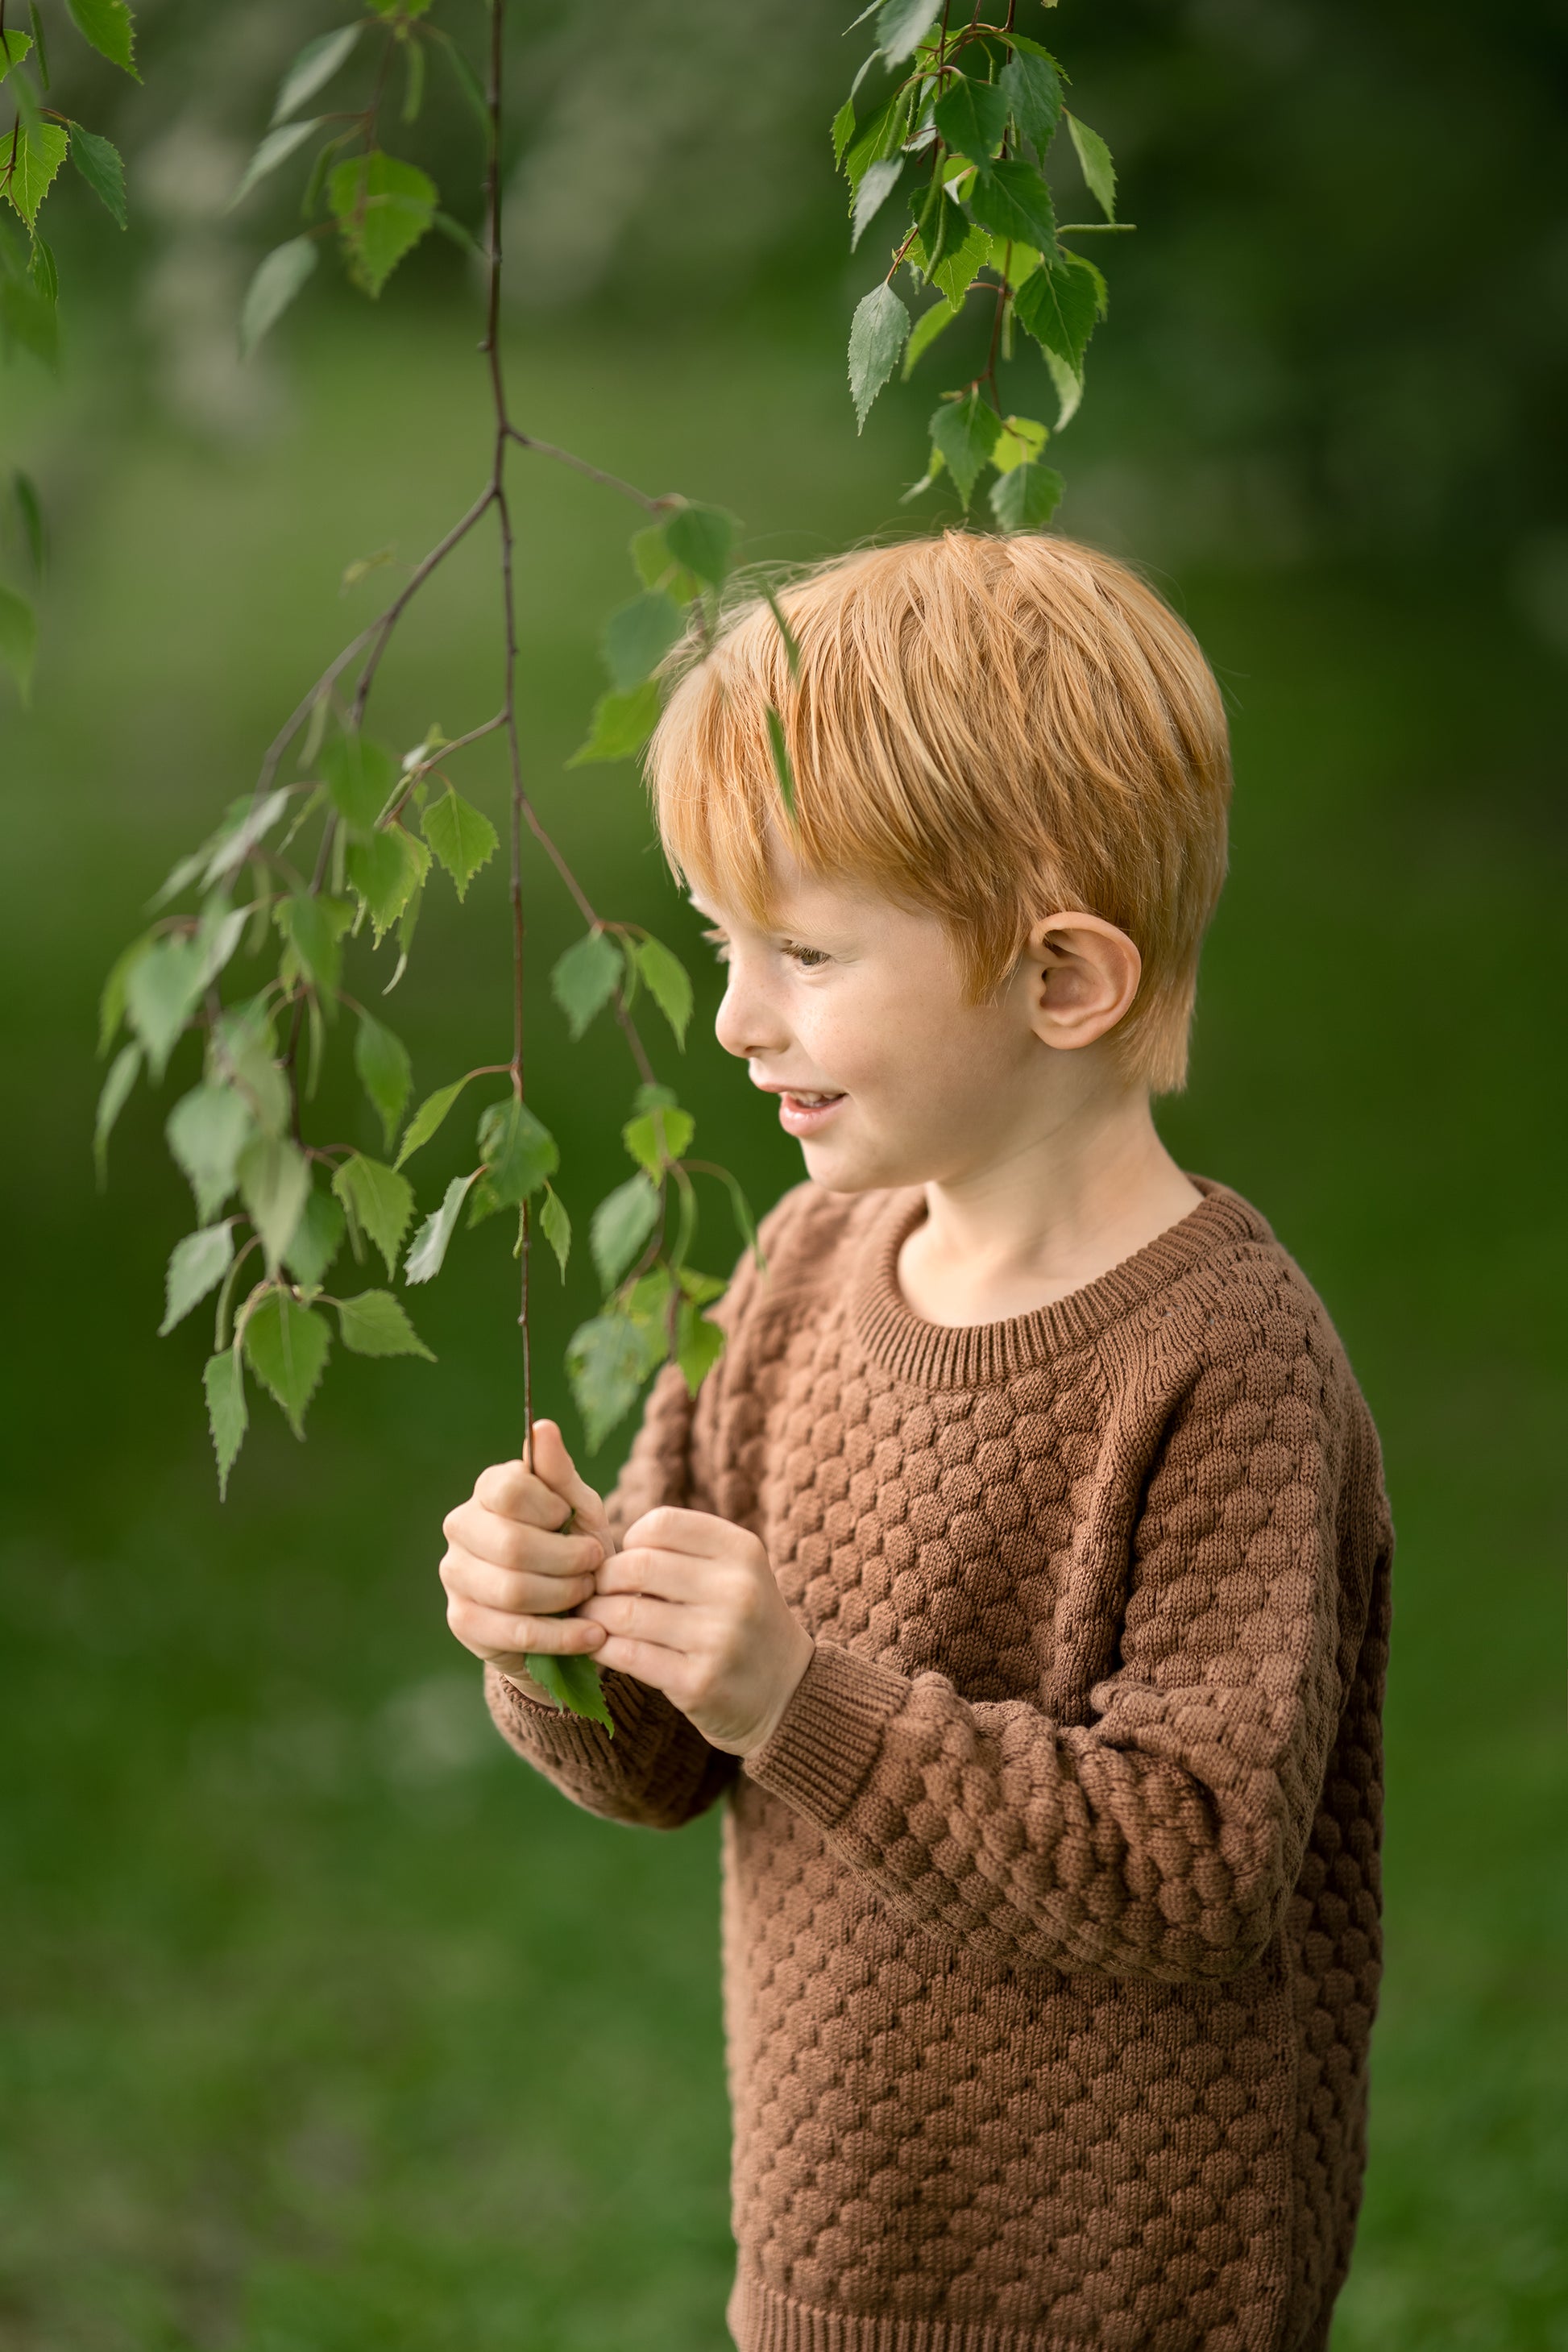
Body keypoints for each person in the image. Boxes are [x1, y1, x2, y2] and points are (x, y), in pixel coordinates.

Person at [438, 530, 1393, 2352]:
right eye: (728, 942)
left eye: (800, 949)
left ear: (1060, 983)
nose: (732, 1015)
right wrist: (552, 1626)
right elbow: (661, 1759)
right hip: (835, 2243)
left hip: (1127, 2286)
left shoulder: (1224, 1361)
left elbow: (1193, 1867)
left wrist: (798, 1686)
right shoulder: (797, 1270)